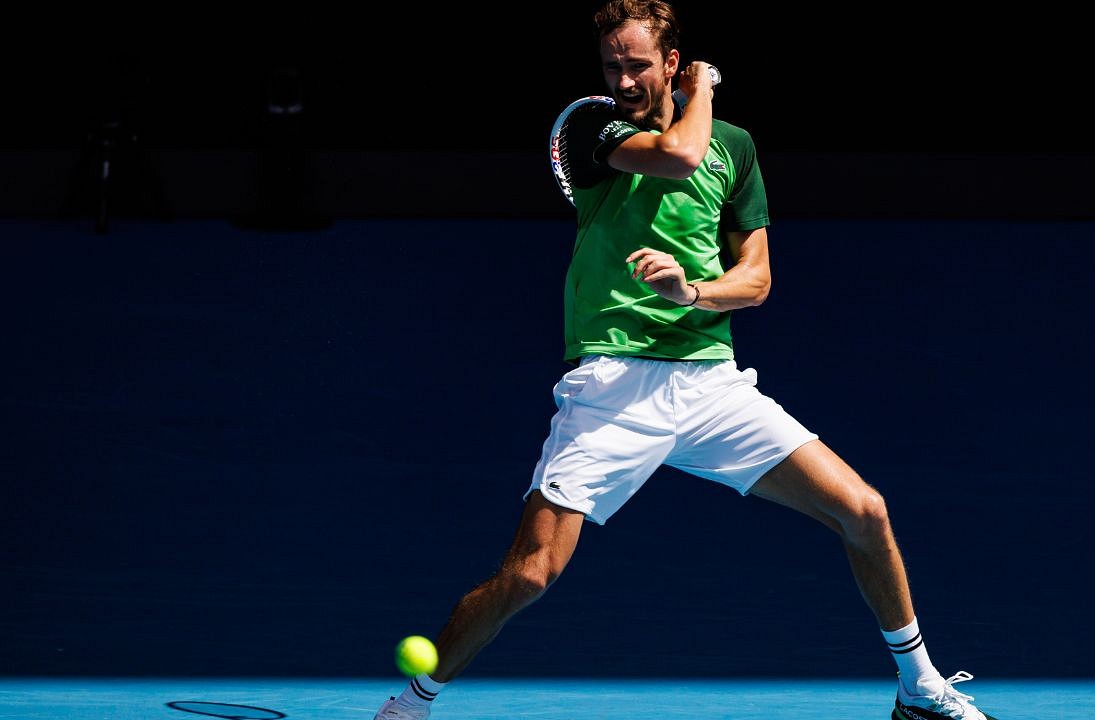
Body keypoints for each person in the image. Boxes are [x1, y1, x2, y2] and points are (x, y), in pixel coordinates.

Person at [375, 2, 996, 719]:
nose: (624, 78)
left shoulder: (737, 146)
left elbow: (756, 281)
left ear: (669, 61)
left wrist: (691, 289)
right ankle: (411, 703)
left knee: (865, 510)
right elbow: (678, 156)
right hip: (612, 384)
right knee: (532, 573)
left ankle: (920, 689)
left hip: (711, 384)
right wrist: (703, 88)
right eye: (612, 64)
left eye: (639, 64)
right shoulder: (591, 125)